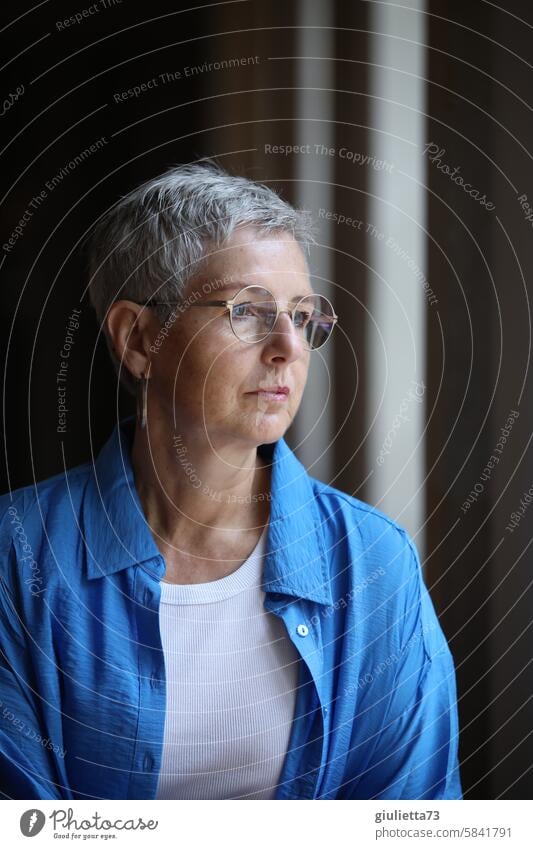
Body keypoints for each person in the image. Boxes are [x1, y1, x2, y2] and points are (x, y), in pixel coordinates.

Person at [0, 161, 462, 800]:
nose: (289, 349)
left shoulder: (374, 563)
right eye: (247, 311)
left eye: (302, 318)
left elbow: (415, 823)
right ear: (139, 340)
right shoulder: (14, 556)